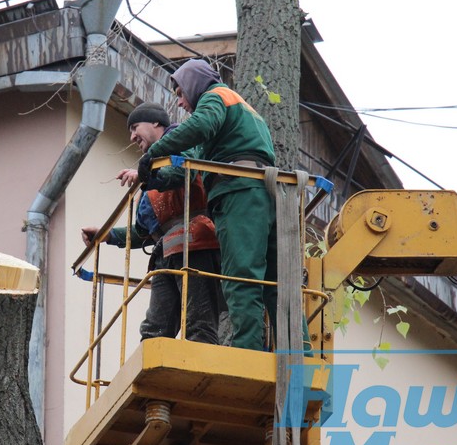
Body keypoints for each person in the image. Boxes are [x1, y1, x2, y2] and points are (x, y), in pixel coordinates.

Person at [140, 58, 309, 352]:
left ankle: (247, 352)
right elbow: (190, 161)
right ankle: (300, 355)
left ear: (194, 83)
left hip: (239, 192)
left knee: (241, 276)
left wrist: (153, 154)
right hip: (267, 192)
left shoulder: (215, 97)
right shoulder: (240, 109)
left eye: (180, 94)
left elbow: (199, 126)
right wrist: (157, 179)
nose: (180, 103)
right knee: (277, 283)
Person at [82, 102, 222, 344]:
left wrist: (146, 174)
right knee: (154, 330)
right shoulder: (152, 165)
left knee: (199, 324)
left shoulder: (182, 142)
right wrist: (106, 235)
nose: (132, 136)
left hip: (196, 246)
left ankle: (199, 373)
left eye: (135, 126)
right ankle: (156, 379)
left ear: (156, 123)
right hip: (165, 254)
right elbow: (144, 231)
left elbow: (182, 174)